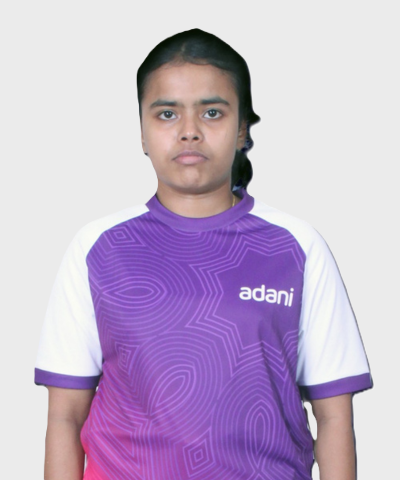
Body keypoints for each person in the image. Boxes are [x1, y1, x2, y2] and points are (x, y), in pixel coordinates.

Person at [35, 28, 372, 480]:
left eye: (212, 112)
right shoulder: (98, 248)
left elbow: (334, 418)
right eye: (167, 113)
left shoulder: (297, 247)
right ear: (142, 132)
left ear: (242, 130)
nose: (189, 131)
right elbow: (65, 416)